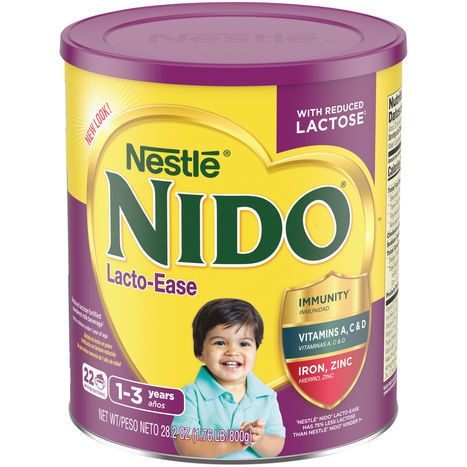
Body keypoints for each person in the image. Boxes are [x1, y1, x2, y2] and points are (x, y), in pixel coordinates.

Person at [171, 298, 285, 459]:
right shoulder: (190, 396)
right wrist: (236, 442)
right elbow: (186, 445)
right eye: (220, 343)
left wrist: (258, 440)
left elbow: (277, 444)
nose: (232, 351)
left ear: (256, 349)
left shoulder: (267, 396)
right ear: (200, 352)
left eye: (244, 344)